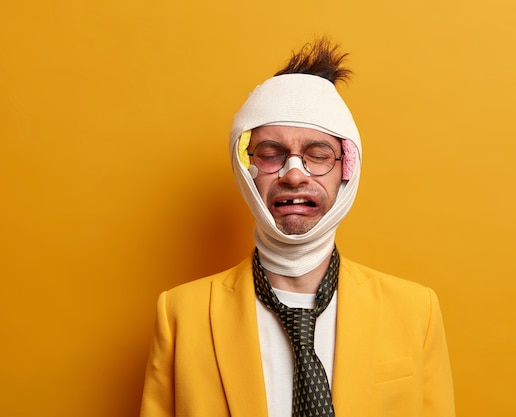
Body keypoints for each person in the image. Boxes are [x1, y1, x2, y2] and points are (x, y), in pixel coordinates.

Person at [140, 38, 455, 417]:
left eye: (318, 155)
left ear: (347, 168)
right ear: (246, 171)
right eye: (271, 155)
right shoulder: (181, 315)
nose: (293, 173)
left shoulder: (415, 310)